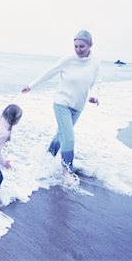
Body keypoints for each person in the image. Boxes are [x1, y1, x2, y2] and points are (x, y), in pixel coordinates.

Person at [21, 30, 101, 176]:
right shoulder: (68, 59)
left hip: (78, 106)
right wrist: (31, 85)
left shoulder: (95, 62)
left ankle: (48, 156)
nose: (78, 50)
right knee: (69, 138)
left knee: (61, 134)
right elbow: (50, 72)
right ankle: (67, 172)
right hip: (61, 103)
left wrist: (94, 96)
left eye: (81, 46)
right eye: (75, 46)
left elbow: (96, 82)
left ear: (90, 45)